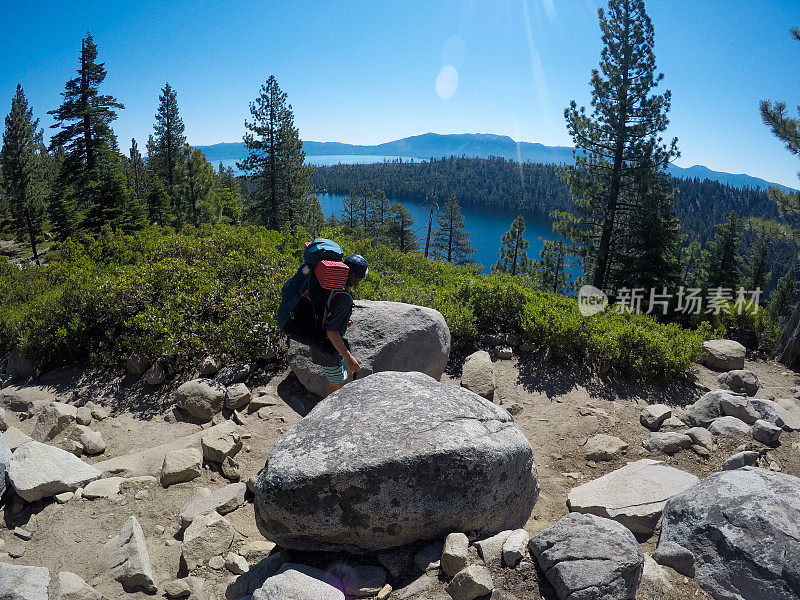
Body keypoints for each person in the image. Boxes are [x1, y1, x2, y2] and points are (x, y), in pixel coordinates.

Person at [309, 253, 369, 395]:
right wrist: (349, 358)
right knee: (337, 383)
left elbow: (326, 310)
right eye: (361, 277)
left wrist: (342, 320)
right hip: (325, 346)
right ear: (355, 278)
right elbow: (331, 332)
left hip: (322, 339)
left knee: (345, 376)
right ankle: (326, 410)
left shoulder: (331, 285)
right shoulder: (344, 297)